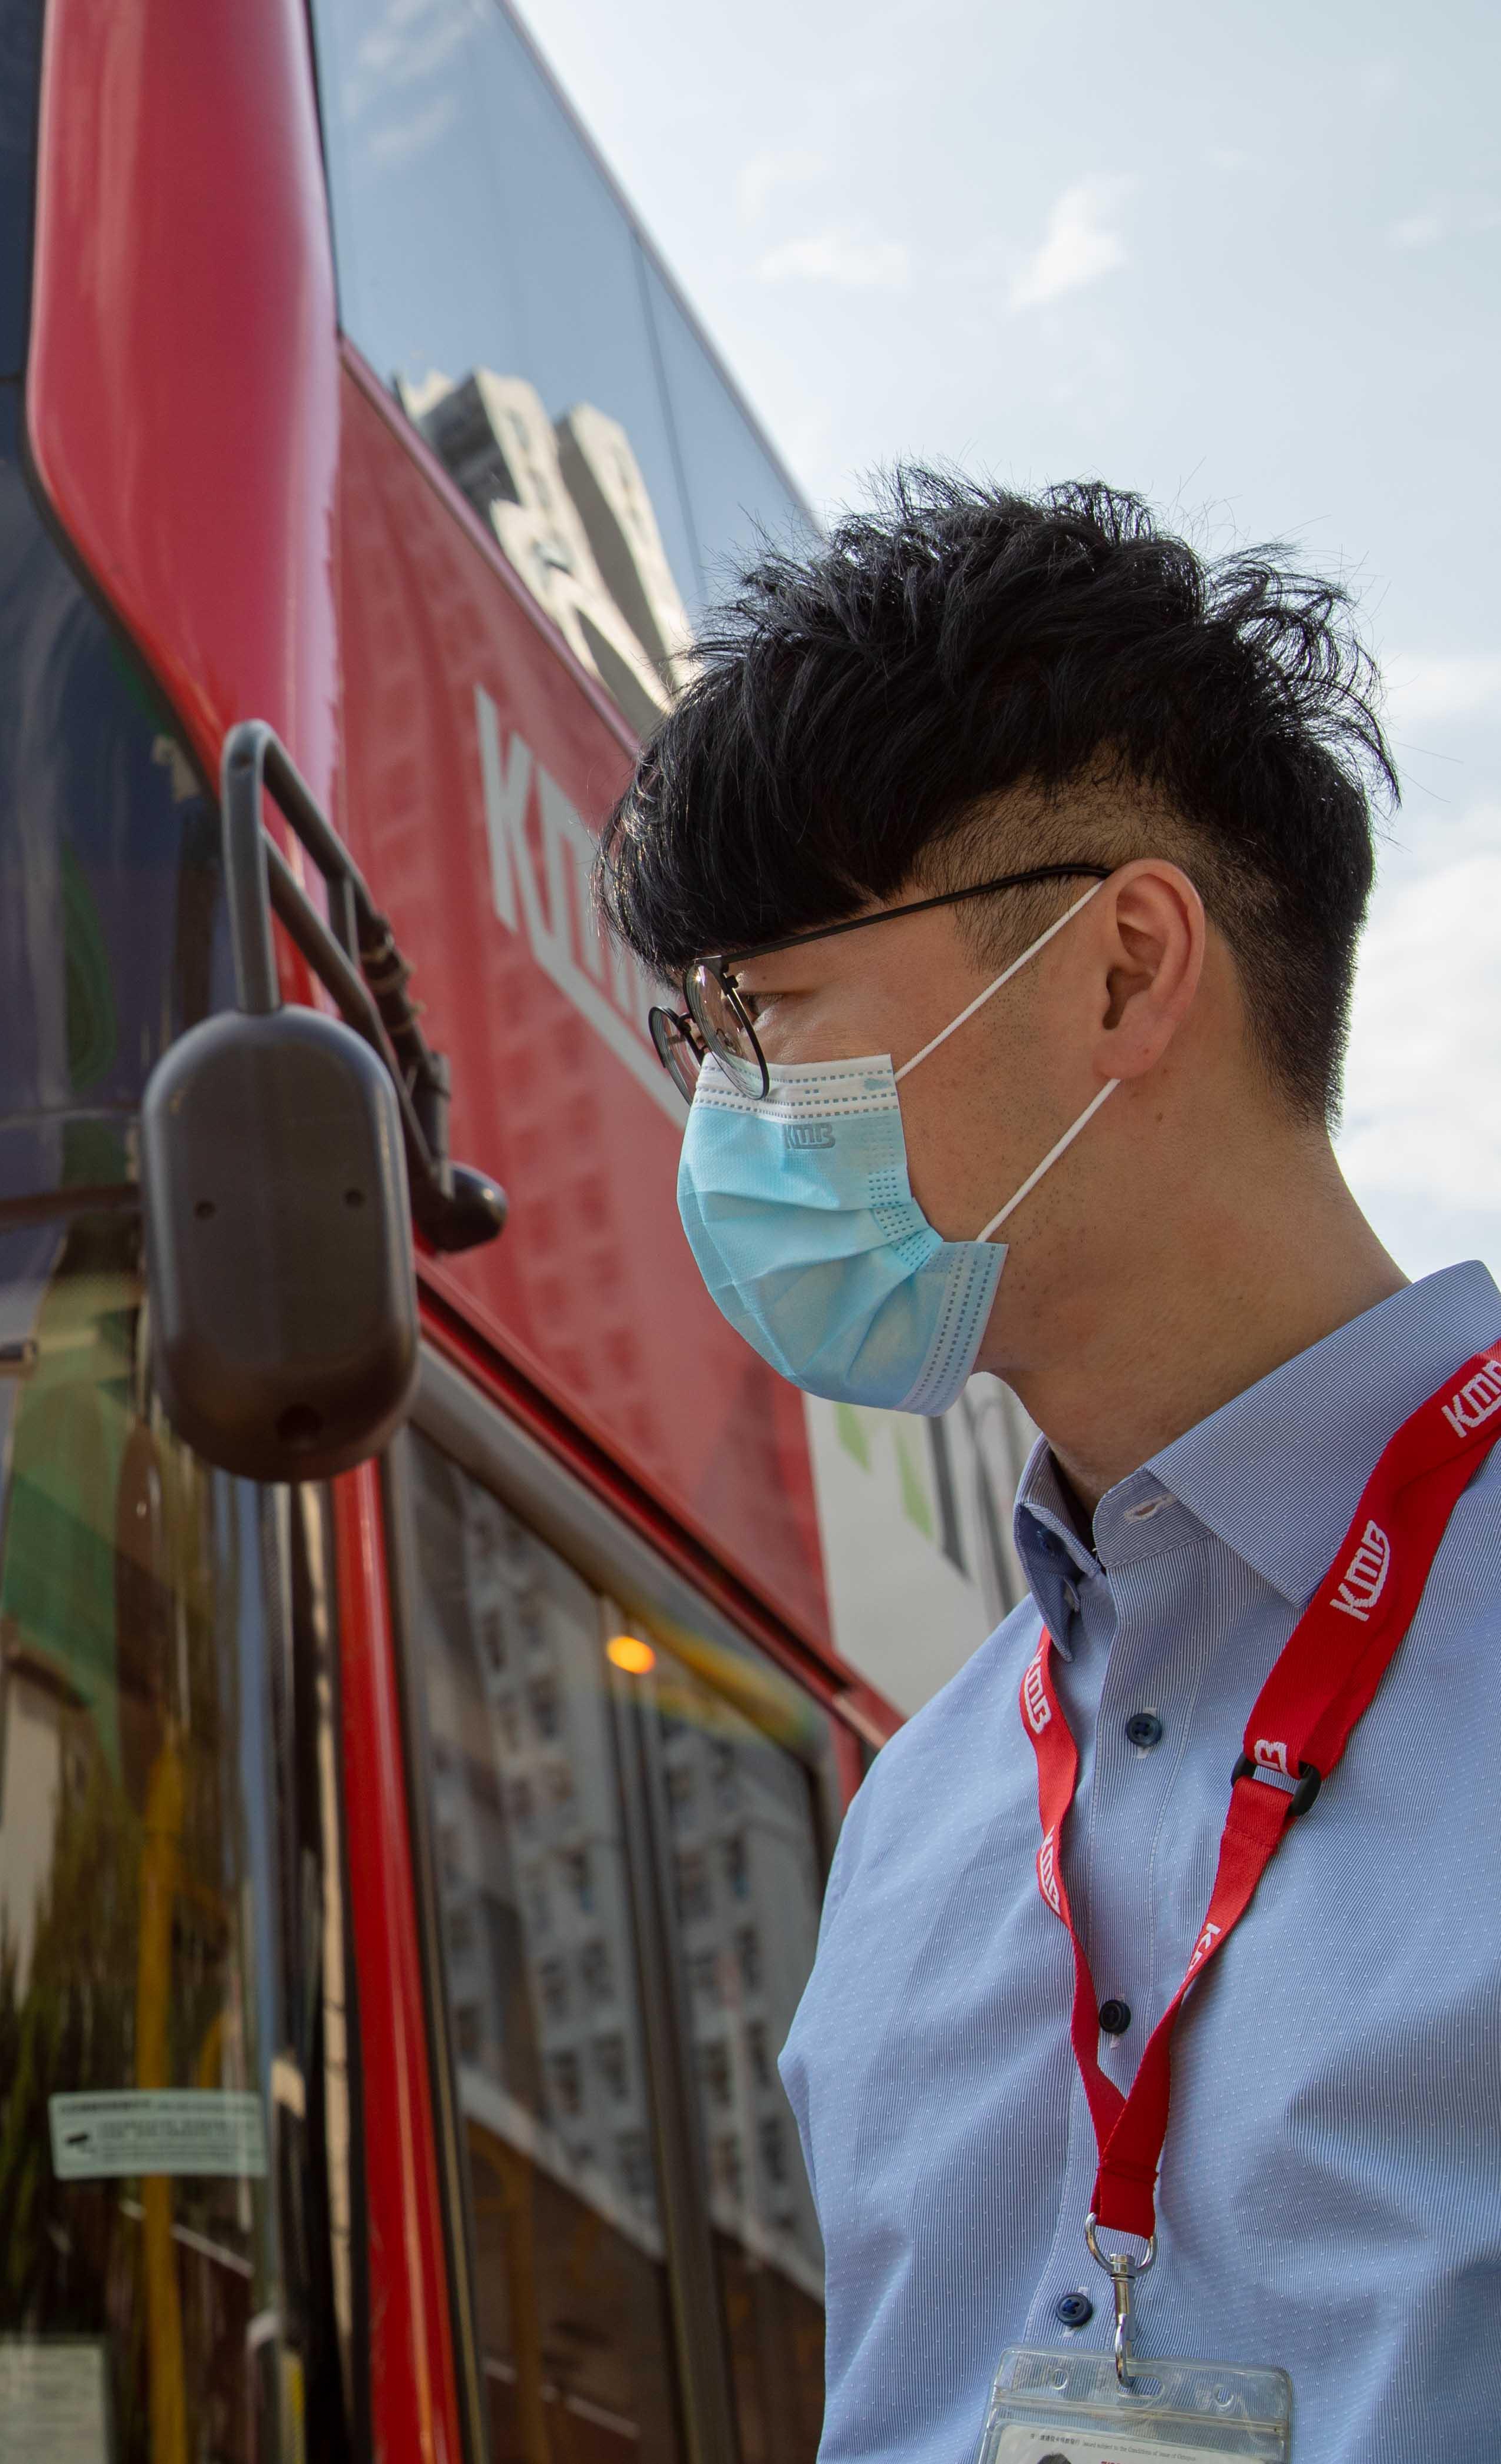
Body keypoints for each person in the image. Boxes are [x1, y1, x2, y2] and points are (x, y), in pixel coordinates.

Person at [601, 470, 1498, 2459]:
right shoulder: (920, 1827)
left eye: (770, 1012)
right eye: (697, 1042)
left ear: (1118, 970)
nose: (729, 1121)